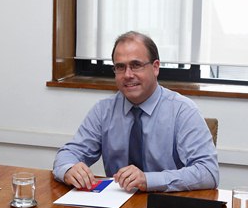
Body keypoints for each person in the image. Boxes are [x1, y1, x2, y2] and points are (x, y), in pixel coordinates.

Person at [53, 31, 219, 192]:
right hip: (116, 203)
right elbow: (69, 153)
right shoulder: (103, 110)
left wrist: (149, 180)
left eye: (136, 65)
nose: (128, 75)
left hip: (167, 203)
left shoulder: (182, 111)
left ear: (155, 67)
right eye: (120, 67)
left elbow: (208, 172)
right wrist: (69, 169)